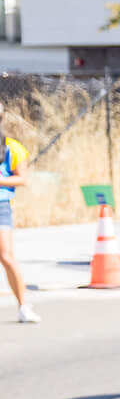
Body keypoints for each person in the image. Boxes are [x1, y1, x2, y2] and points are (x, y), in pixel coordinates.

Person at [0, 103, 36, 323]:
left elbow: (22, 178)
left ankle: (23, 306)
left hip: (1, 205)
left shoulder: (12, 148)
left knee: (6, 256)